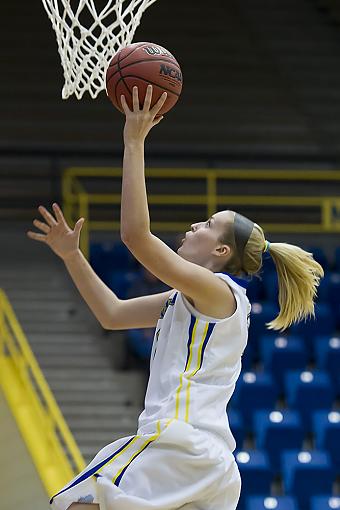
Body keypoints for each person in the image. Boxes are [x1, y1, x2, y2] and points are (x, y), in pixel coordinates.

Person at [27, 85, 324, 510]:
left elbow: (136, 237)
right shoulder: (187, 301)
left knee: (74, 504)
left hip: (179, 443)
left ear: (221, 252)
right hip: (206, 463)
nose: (193, 226)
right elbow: (111, 314)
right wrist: (73, 256)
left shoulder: (219, 292)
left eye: (207, 224)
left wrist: (133, 141)